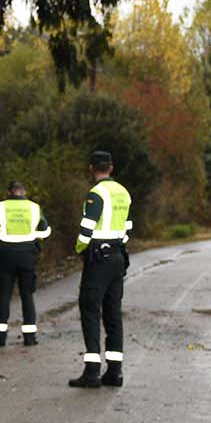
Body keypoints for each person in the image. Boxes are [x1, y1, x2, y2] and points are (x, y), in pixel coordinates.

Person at [69, 150, 132, 388]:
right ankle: (114, 371)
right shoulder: (124, 193)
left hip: (98, 258)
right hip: (117, 255)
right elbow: (128, 227)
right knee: (113, 312)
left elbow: (86, 228)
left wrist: (79, 249)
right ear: (111, 167)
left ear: (91, 168)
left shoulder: (96, 194)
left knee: (90, 308)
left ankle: (92, 371)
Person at [0, 180, 51, 347]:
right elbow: (45, 231)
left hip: (5, 256)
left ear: (9, 192)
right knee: (27, 295)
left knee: (4, 296)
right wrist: (34, 239)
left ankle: (0, 338)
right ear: (24, 191)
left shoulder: (0, 207)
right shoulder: (34, 207)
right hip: (28, 256)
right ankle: (29, 338)